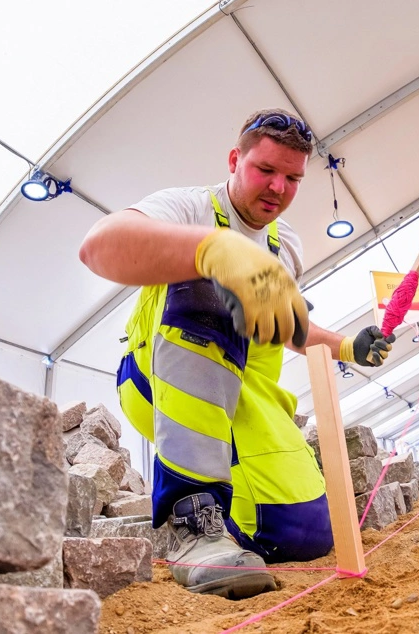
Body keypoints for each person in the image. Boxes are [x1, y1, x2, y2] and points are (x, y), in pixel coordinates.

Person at [78, 109, 395, 599]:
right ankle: (192, 517)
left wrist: (345, 345)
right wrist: (213, 250)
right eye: (265, 170)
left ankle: (228, 525)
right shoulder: (187, 206)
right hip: (158, 379)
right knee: (210, 290)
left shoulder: (284, 243)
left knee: (304, 533)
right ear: (234, 159)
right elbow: (98, 247)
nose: (278, 188)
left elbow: (283, 325)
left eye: (292, 177)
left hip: (238, 392)